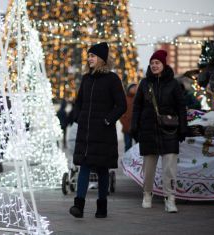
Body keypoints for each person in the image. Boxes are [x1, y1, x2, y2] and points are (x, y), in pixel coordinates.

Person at [69, 42, 127, 218]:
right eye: (89, 56)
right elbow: (79, 102)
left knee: (102, 170)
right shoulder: (86, 79)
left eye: (92, 56)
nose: (89, 59)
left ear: (102, 59)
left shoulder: (112, 79)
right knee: (84, 166)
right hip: (86, 132)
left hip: (103, 132)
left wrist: (108, 120)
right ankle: (78, 205)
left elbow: (121, 105)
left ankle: (102, 207)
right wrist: (78, 117)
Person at [130, 50, 187, 213]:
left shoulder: (173, 84)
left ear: (163, 64)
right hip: (148, 131)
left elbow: (181, 106)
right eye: (152, 63)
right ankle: (147, 194)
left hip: (169, 131)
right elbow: (137, 106)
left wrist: (183, 127)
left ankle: (170, 198)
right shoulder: (144, 83)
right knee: (148, 168)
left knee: (170, 168)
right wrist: (135, 126)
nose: (154, 65)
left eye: (157, 63)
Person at [120, 83, 138, 152]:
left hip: (137, 128)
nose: (135, 89)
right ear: (129, 88)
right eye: (133, 87)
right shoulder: (124, 99)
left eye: (136, 88)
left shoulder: (139, 98)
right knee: (128, 146)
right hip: (127, 128)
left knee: (138, 146)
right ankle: (128, 161)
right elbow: (121, 113)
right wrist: (124, 123)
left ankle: (138, 162)